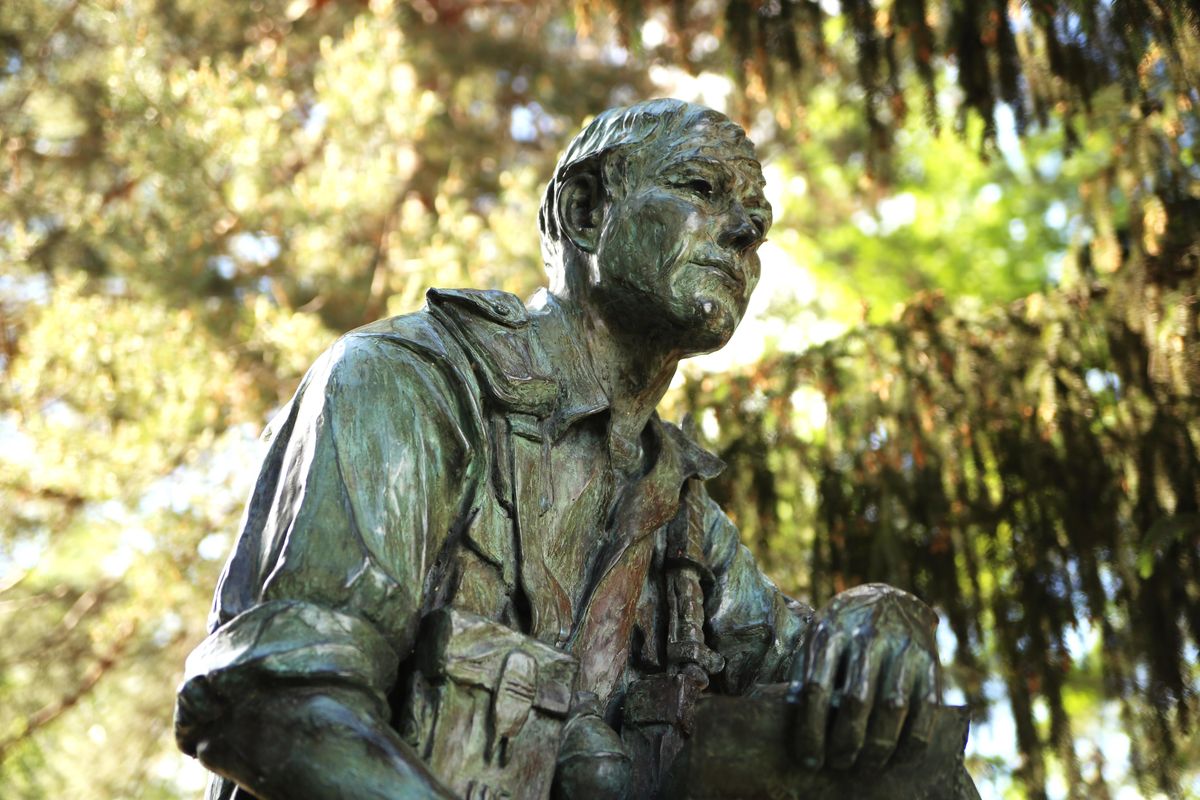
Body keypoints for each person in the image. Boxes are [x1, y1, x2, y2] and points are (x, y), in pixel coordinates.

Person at [175, 98, 947, 800]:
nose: (746, 231)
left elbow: (816, 673)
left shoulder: (683, 517)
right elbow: (275, 705)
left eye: (757, 218)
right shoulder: (410, 383)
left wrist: (882, 617)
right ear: (585, 212)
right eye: (703, 190)